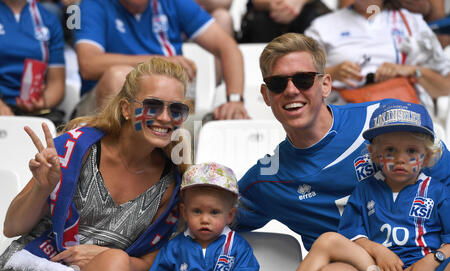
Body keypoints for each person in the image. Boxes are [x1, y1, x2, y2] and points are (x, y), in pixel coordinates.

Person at [234, 32, 450, 271]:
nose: (291, 90)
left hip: (428, 270)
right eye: (278, 84)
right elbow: (205, 213)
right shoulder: (266, 178)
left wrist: (438, 258)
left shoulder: (385, 120)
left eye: (303, 80)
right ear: (266, 95)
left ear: (325, 85)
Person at [0, 57, 190, 271]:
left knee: (117, 262)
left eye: (176, 109)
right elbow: (11, 227)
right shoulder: (77, 149)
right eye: (153, 106)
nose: (165, 118)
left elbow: (146, 269)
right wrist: (42, 188)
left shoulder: (172, 183)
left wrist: (105, 259)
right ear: (125, 109)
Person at [281, 102, 450, 271]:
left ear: (428, 156)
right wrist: (379, 252)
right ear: (374, 154)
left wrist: (433, 261)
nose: (400, 159)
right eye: (390, 150)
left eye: (411, 151)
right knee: (328, 240)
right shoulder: (365, 189)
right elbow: (353, 237)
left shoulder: (437, 191)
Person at [74, 0, 248, 120]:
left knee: (223, 119)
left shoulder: (172, 3)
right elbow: (88, 64)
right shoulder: (91, 5)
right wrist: (158, 62)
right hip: (99, 110)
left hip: (166, 105)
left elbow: (228, 47)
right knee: (118, 77)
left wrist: (234, 100)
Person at [304, 0, 450, 117]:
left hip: (403, 116)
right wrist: (333, 73)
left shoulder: (412, 22)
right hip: (344, 117)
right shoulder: (322, 26)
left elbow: (445, 87)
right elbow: (299, 81)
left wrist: (410, 70)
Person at [147, 162, 259, 271]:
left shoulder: (239, 247)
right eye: (197, 211)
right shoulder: (173, 247)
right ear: (184, 212)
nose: (205, 219)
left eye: (214, 212)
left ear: (230, 215)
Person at [0, 0, 66, 126]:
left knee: (59, 137)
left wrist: (43, 102)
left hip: (34, 109)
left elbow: (56, 83)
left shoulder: (48, 18)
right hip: (2, 105)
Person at [237, 0, 331, 43]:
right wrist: (280, 4)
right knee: (260, 22)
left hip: (308, 12)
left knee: (316, 20)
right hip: (267, 15)